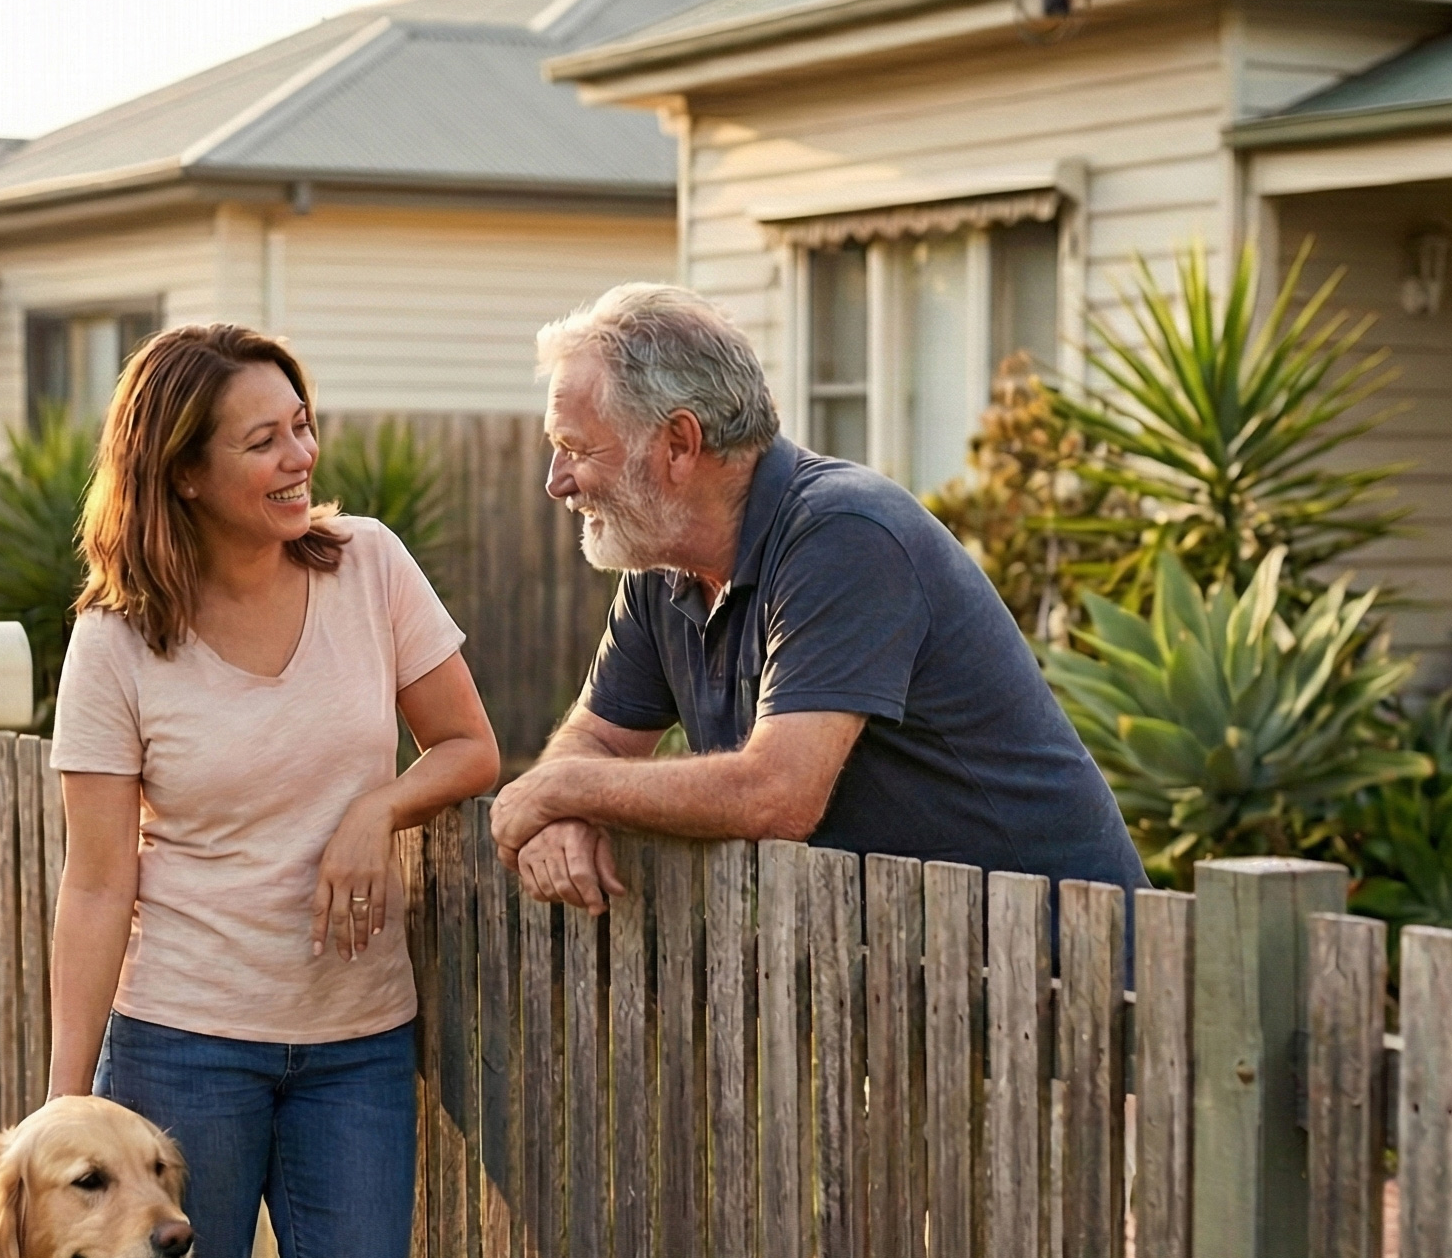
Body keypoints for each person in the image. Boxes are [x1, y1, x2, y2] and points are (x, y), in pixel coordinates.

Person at [46, 324, 499, 1258]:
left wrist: (375, 809)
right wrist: (68, 1103)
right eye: (262, 441)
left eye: (301, 426)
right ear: (184, 474)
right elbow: (98, 883)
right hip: (182, 1040)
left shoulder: (368, 565)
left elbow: (468, 746)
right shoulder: (114, 642)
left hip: (356, 1040)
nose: (299, 457)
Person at [489, 282, 1144, 911]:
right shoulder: (663, 568)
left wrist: (562, 788)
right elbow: (596, 738)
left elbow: (777, 794)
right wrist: (564, 810)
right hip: (921, 946)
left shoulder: (844, 534)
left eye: (575, 449)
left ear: (680, 444)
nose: (556, 481)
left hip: (1058, 952)